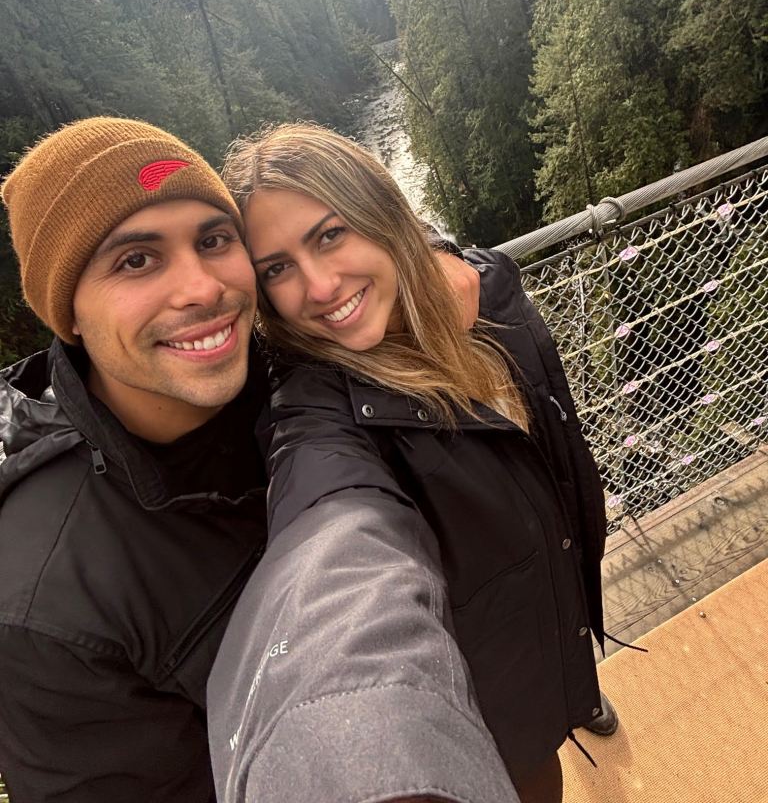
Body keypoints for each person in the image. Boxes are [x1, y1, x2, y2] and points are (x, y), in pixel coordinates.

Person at [0, 116, 510, 803]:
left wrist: (436, 253)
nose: (203, 288)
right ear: (67, 312)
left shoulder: (290, 361)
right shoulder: (43, 605)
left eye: (213, 241)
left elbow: (371, 254)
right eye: (136, 260)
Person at [212, 123, 612, 803]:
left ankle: (581, 687)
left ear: (383, 216)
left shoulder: (486, 289)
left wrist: (437, 255)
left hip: (556, 601)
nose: (319, 285)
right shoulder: (315, 414)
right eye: (276, 268)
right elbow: (331, 543)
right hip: (493, 700)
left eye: (330, 234)